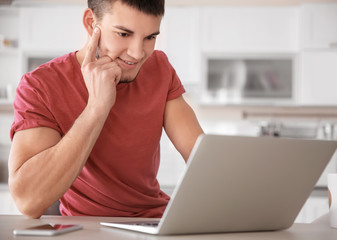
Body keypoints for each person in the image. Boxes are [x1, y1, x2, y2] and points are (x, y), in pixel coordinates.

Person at [8, 0, 204, 219]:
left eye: (150, 37)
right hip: (88, 228)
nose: (138, 53)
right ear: (92, 23)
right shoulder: (40, 86)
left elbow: (203, 159)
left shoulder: (159, 68)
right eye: (123, 34)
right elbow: (28, 200)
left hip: (156, 222)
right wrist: (96, 108)